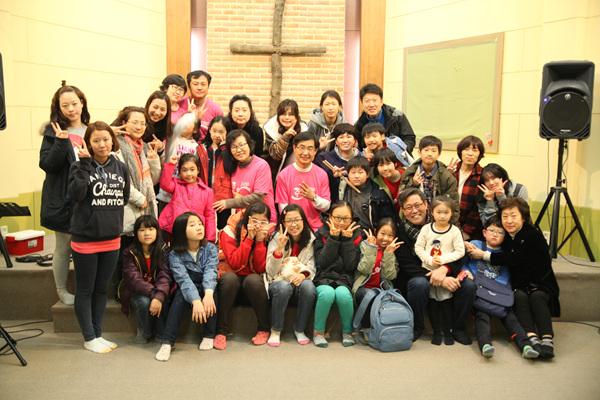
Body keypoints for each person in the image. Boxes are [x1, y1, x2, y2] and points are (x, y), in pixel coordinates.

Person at [466, 198, 560, 359]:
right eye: (505, 216)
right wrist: (466, 244)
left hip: (540, 282)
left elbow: (514, 258)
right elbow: (487, 238)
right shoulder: (507, 236)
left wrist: (483, 255)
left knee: (537, 296)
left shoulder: (532, 235)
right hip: (520, 283)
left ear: (523, 217)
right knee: (519, 296)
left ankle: (546, 339)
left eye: (513, 216)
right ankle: (531, 337)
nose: (509, 221)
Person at [68, 121, 130, 353]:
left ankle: (97, 333)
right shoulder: (79, 166)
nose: (102, 144)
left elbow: (123, 197)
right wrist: (85, 164)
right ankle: (89, 337)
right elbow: (76, 194)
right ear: (88, 143)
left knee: (102, 289)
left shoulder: (120, 167)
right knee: (86, 289)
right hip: (86, 238)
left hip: (111, 237)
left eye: (106, 139)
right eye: (96, 140)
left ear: (112, 141)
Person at [395, 188, 475, 343]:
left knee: (469, 287)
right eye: (408, 207)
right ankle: (417, 326)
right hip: (420, 274)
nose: (414, 210)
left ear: (426, 205)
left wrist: (445, 269)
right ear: (403, 211)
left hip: (447, 270)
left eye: (417, 205)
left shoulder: (446, 223)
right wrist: (438, 278)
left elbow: (460, 254)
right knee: (419, 284)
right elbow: (407, 264)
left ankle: (458, 328)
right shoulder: (401, 231)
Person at [39, 83, 90, 305]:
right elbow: (47, 165)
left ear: (82, 103)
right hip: (63, 198)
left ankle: (86, 290)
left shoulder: (91, 130)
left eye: (74, 103)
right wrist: (60, 142)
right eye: (65, 105)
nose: (71, 109)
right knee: (63, 246)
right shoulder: (53, 132)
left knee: (85, 246)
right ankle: (61, 290)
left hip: (88, 196)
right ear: (58, 108)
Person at [461, 217, 540, 359]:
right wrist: (466, 271)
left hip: (499, 291)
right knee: (482, 315)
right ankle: (486, 345)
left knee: (510, 316)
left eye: (500, 232)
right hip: (480, 290)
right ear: (484, 232)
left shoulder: (506, 253)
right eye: (492, 230)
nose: (495, 234)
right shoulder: (476, 244)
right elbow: (463, 262)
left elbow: (507, 275)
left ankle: (525, 345)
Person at [156, 212, 218, 361]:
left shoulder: (210, 248)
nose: (199, 227)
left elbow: (211, 271)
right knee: (179, 296)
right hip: (187, 286)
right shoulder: (174, 254)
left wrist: (208, 294)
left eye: (200, 224)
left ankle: (209, 334)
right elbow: (183, 280)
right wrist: (196, 301)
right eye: (192, 225)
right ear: (181, 231)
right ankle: (167, 342)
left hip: (206, 283)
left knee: (212, 293)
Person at [218, 202, 273, 348]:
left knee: (253, 280)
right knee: (229, 279)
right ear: (246, 218)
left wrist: (259, 241)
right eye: (254, 221)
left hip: (252, 284)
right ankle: (221, 331)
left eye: (263, 222)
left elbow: (260, 268)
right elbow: (235, 263)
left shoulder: (270, 233)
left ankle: (263, 329)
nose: (258, 225)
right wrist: (249, 238)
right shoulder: (229, 230)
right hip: (231, 280)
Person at [414, 197, 465, 345]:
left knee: (446, 302)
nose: (442, 216)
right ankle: (436, 332)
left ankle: (448, 332)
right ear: (432, 212)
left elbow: (460, 251)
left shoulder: (454, 231)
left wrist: (443, 260)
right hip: (429, 272)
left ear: (451, 213)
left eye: (446, 212)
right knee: (433, 303)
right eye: (439, 212)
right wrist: (429, 260)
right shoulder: (426, 229)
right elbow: (418, 248)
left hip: (446, 273)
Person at [266, 204, 317, 347]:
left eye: (297, 220)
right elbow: (270, 271)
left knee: (308, 286)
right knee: (283, 287)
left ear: (303, 220)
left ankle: (300, 329)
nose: (293, 224)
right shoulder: (276, 237)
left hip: (298, 282)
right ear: (283, 223)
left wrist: (303, 275)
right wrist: (279, 249)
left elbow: (312, 266)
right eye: (289, 221)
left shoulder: (310, 238)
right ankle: (275, 330)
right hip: (278, 281)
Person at [313, 201, 362, 348]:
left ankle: (347, 332)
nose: (341, 222)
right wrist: (333, 239)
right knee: (326, 294)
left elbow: (351, 265)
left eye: (346, 219)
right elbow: (322, 263)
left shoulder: (357, 235)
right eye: (337, 218)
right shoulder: (321, 233)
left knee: (343, 295)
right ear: (330, 217)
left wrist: (347, 241)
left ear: (352, 219)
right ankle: (318, 332)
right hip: (324, 277)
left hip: (344, 279)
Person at [119, 215, 172, 344]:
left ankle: (161, 333)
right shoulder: (129, 252)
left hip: (157, 289)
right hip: (135, 291)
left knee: (164, 297)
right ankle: (145, 332)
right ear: (136, 233)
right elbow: (134, 280)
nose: (147, 233)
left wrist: (159, 295)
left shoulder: (163, 249)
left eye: (151, 229)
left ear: (157, 231)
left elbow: (164, 275)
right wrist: (155, 294)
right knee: (144, 302)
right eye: (142, 230)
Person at [352, 218, 401, 338]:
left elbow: (390, 276)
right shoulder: (365, 245)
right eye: (382, 233)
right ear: (375, 232)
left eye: (390, 235)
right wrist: (371, 248)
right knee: (369, 295)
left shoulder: (391, 250)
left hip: (382, 290)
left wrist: (388, 254)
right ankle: (366, 328)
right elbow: (364, 269)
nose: (385, 238)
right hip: (363, 287)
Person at [215, 129, 277, 222]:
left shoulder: (261, 165)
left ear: (249, 145)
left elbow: (258, 197)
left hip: (263, 220)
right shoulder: (233, 168)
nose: (239, 150)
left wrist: (229, 203)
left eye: (241, 145)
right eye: (234, 147)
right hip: (243, 221)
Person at [275, 131, 331, 231]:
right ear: (294, 148)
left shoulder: (322, 174)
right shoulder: (284, 175)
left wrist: (313, 197)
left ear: (315, 151)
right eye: (302, 147)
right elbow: (283, 208)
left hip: (316, 228)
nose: (305, 153)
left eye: (310, 148)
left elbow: (326, 206)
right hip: (292, 227)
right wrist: (296, 225)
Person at [400, 135, 459, 223]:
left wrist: (449, 224)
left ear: (439, 154)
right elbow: (402, 197)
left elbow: (453, 203)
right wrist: (413, 183)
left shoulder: (447, 176)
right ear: (419, 152)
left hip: (439, 220)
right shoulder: (410, 172)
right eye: (426, 150)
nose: (429, 154)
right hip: (415, 217)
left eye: (434, 151)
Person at [158, 153, 216, 242]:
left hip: (194, 232)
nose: (188, 174)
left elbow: (209, 215)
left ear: (198, 170)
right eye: (184, 170)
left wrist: (210, 239)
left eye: (192, 170)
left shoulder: (207, 191)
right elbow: (165, 184)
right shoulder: (176, 185)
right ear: (179, 172)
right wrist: (171, 165)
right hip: (174, 229)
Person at [354, 83, 416, 154]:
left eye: (374, 100)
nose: (371, 105)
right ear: (362, 103)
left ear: (381, 102)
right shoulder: (359, 124)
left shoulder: (397, 116)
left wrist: (398, 153)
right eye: (367, 101)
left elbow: (409, 139)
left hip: (397, 157)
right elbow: (359, 147)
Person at [447, 135, 485, 240]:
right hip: (446, 223)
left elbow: (478, 207)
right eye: (466, 149)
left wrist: (466, 232)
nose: (470, 153)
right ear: (460, 152)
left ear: (480, 154)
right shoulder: (451, 171)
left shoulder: (482, 175)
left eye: (475, 150)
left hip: (469, 230)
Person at [342, 156, 395, 230]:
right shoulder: (342, 187)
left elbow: (387, 220)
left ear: (367, 174)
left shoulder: (378, 194)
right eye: (353, 172)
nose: (356, 176)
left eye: (360, 172)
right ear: (348, 174)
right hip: (346, 230)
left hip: (369, 233)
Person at [314, 123, 360, 203]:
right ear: (336, 141)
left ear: (355, 141)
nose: (345, 141)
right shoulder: (323, 158)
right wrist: (319, 148)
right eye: (341, 137)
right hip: (331, 204)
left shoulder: (362, 158)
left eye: (349, 137)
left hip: (355, 204)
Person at [202, 116, 233, 230]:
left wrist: (224, 147)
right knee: (206, 225)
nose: (217, 135)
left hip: (223, 196)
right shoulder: (203, 148)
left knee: (222, 227)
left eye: (221, 132)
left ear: (227, 133)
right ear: (209, 130)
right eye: (214, 131)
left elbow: (230, 168)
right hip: (205, 193)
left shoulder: (229, 150)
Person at [264, 99, 309, 177]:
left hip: (293, 173)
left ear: (296, 116)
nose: (287, 117)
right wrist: (285, 137)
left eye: (291, 114)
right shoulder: (271, 129)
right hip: (272, 170)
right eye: (283, 114)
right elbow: (276, 155)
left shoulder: (303, 130)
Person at [179, 70, 223, 140]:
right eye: (195, 84)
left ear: (208, 86)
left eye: (203, 84)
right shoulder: (179, 104)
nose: (199, 88)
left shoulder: (216, 109)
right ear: (189, 86)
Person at [371, 148, 405, 212]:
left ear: (395, 164)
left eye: (388, 164)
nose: (385, 168)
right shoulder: (377, 182)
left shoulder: (407, 175)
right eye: (381, 165)